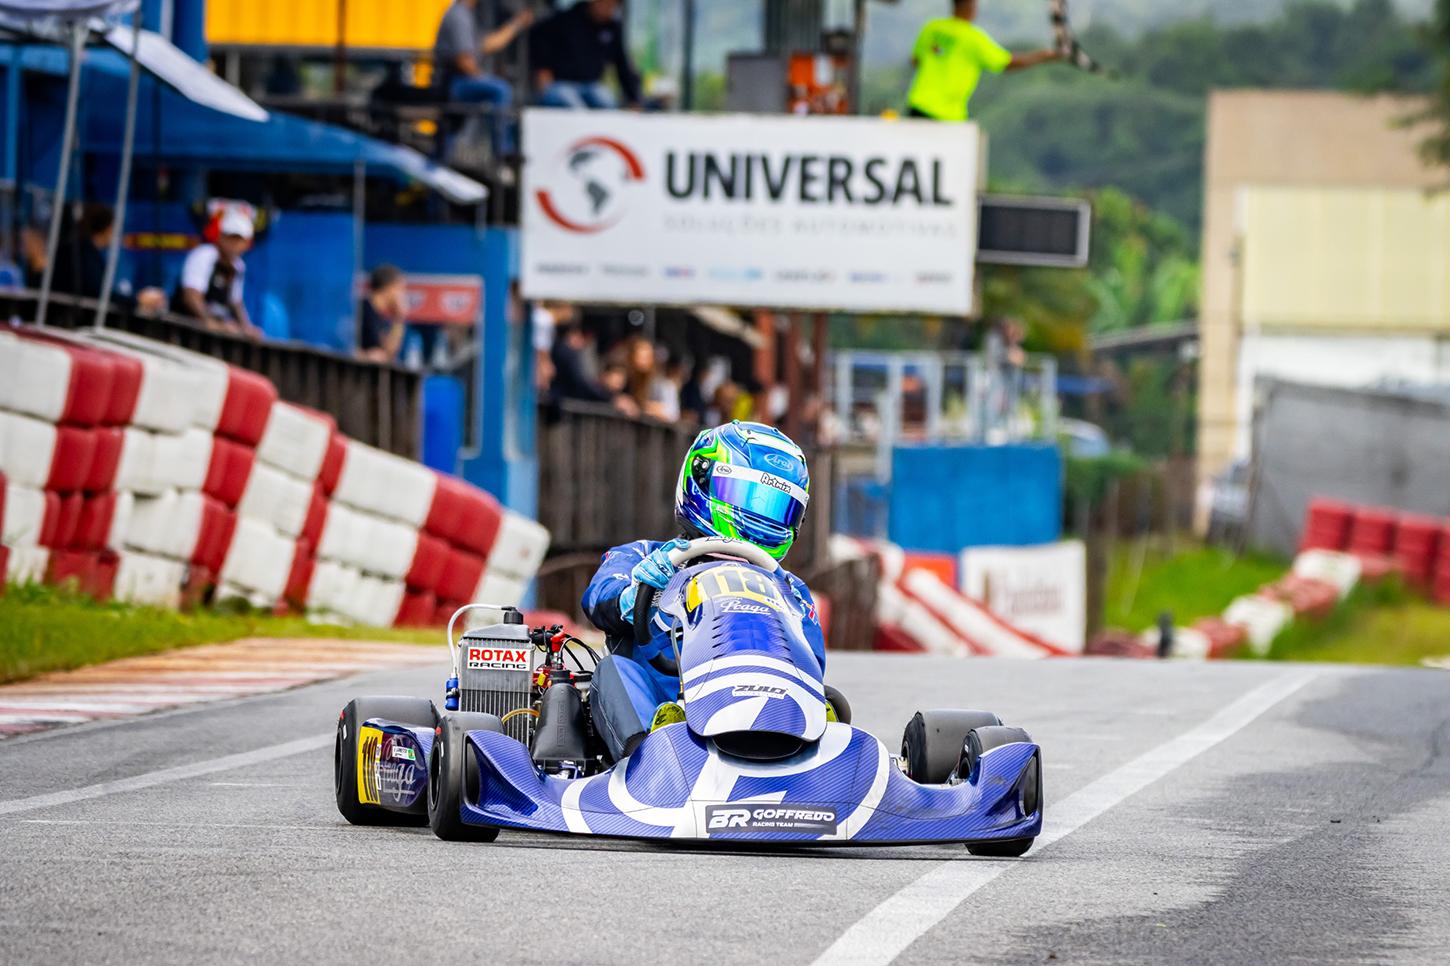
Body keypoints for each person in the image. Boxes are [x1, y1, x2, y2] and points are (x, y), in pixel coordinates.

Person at [581, 421, 831, 762]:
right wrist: (635, 594)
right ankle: (647, 762)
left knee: (827, 699)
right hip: (662, 712)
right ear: (701, 481)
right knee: (613, 672)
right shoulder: (644, 557)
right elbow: (597, 599)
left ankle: (809, 758)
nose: (757, 515)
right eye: (743, 495)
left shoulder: (788, 588)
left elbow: (812, 663)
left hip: (763, 710)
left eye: (776, 508)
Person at [906, 0, 1060, 123]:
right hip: (948, 115)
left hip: (918, 104)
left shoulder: (932, 27)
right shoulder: (974, 39)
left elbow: (915, 60)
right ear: (971, 6)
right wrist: (1044, 56)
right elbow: (1007, 63)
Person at [433, 0, 534, 157]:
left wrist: (517, 24)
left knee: (448, 138)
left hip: (457, 81)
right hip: (452, 83)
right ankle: (502, 151)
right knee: (500, 90)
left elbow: (487, 44)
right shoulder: (458, 15)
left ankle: (442, 155)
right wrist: (482, 78)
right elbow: (464, 61)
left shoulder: (467, 14)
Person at [49, 204, 165, 313]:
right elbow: (98, 293)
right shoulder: (83, 253)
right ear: (107, 229)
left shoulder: (84, 250)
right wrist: (137, 300)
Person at [530, 0, 641, 110]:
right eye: (605, 3)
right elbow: (540, 40)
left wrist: (633, 98)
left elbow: (622, 64)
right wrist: (542, 71)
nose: (608, 8)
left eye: (613, 5)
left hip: (591, 85)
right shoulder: (565, 20)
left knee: (606, 101)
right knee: (570, 103)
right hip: (561, 84)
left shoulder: (612, 28)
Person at [171, 209, 260, 338]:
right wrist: (210, 322)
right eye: (230, 237)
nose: (234, 244)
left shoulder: (238, 266)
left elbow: (235, 302)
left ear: (246, 244)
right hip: (184, 329)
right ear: (220, 237)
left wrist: (246, 328)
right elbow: (191, 296)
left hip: (211, 334)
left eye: (239, 240)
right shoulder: (204, 254)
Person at [358, 264, 408, 363]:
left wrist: (399, 318)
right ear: (389, 287)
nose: (403, 295)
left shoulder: (382, 319)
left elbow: (389, 352)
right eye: (400, 289)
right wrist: (365, 356)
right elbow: (343, 347)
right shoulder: (361, 309)